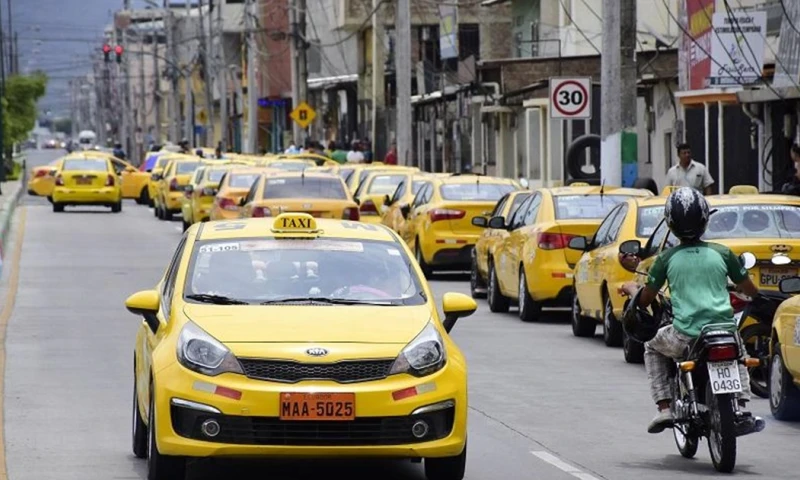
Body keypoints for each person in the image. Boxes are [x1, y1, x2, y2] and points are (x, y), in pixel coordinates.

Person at [618, 187, 764, 435]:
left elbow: (645, 300)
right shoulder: (723, 253)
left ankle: (664, 407)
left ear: (670, 224)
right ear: (705, 219)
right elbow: (750, 290)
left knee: (652, 345)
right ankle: (740, 405)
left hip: (686, 335)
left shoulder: (665, 259)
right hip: (723, 329)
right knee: (738, 354)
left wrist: (632, 289)